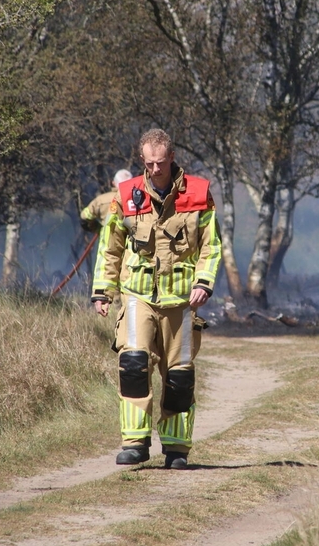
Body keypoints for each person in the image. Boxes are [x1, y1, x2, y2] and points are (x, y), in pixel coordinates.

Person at [91, 129, 221, 469]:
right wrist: (103, 291)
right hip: (138, 296)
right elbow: (110, 247)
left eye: (160, 163)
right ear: (141, 161)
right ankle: (135, 443)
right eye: (148, 164)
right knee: (133, 364)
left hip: (182, 300)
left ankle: (177, 449)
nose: (155, 170)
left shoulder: (198, 194)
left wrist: (204, 283)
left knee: (179, 376)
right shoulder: (126, 195)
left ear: (172, 157)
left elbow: (211, 245)